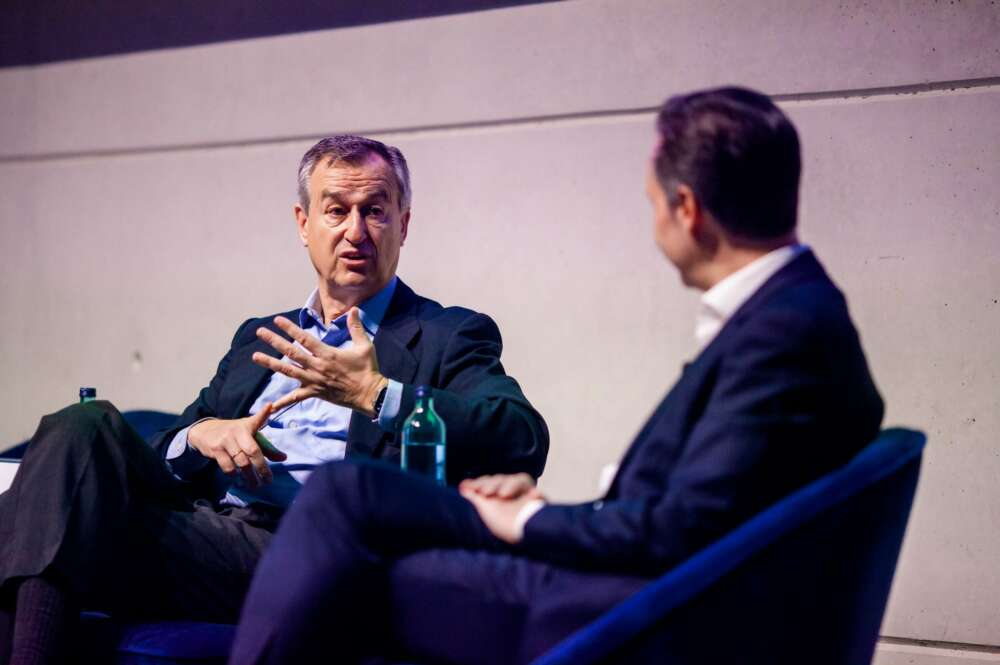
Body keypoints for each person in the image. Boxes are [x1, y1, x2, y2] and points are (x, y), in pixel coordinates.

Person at [228, 87, 885, 665]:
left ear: (686, 209)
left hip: (622, 611)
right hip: (632, 577)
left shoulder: (781, 333)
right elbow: (701, 505)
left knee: (348, 503)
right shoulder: (795, 314)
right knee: (356, 514)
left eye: (651, 199)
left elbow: (678, 530)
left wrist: (530, 521)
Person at [0, 136, 549, 665]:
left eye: (375, 211)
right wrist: (201, 435)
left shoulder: (446, 334)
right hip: (208, 535)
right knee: (82, 427)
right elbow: (171, 453)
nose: (356, 231)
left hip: (314, 554)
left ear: (403, 226)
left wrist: (375, 393)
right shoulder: (259, 337)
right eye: (336, 211)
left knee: (46, 517)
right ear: (303, 224)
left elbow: (520, 437)